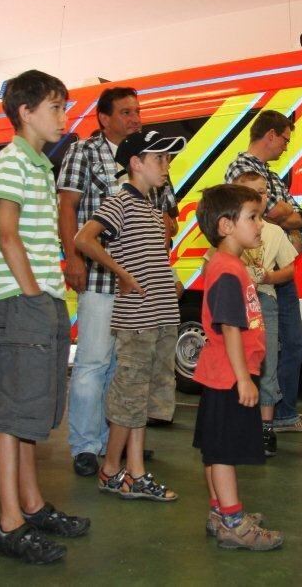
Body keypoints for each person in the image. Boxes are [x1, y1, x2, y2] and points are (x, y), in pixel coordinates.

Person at [0, 70, 89, 565]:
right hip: (22, 298)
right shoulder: (11, 162)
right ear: (25, 112)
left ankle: (31, 503)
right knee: (14, 415)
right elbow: (7, 234)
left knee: (31, 412)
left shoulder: (38, 164)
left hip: (41, 298)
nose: (63, 118)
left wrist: (47, 296)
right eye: (55, 108)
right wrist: (31, 293)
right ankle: (9, 523)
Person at [74, 130, 184, 503]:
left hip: (161, 313)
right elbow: (84, 238)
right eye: (160, 159)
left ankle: (135, 470)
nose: (166, 167)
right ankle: (110, 470)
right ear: (136, 163)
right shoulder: (119, 201)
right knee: (128, 395)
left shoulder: (154, 208)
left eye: (168, 160)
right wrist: (120, 273)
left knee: (143, 396)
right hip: (137, 317)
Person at [58, 87, 155, 477]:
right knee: (93, 362)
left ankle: (118, 440)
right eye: (126, 112)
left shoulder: (145, 157)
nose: (135, 118)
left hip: (134, 282)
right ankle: (85, 445)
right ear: (104, 117)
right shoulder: (83, 151)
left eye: (137, 111)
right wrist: (74, 257)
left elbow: (165, 211)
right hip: (98, 277)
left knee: (125, 365)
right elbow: (67, 206)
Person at [192, 183, 285, 551]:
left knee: (215, 448)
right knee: (225, 452)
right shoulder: (228, 270)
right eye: (253, 217)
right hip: (230, 376)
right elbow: (230, 327)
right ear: (226, 226)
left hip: (220, 374)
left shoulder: (227, 265)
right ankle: (233, 521)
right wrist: (245, 379)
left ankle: (219, 512)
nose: (260, 224)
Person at [225, 110, 302, 434]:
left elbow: (300, 219)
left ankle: (283, 414)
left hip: (280, 270)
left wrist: (288, 218)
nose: (285, 148)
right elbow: (269, 212)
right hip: (259, 277)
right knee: (266, 350)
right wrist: (283, 216)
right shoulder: (240, 168)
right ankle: (271, 417)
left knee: (294, 344)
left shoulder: (273, 175)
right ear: (271, 136)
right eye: (285, 140)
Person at [232, 172, 298, 457]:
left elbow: (290, 269)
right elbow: (213, 263)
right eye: (251, 192)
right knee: (235, 361)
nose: (258, 197)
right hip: (235, 302)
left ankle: (266, 428)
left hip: (265, 302)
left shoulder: (273, 231)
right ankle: (238, 423)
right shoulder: (229, 229)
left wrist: (269, 277)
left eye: (262, 192)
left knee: (267, 361)